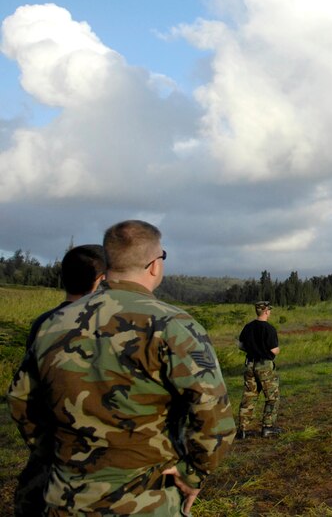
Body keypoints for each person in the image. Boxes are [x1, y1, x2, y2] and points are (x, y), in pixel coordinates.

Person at [7, 220, 235, 515]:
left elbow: (21, 399)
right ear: (155, 265)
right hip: (145, 500)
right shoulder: (171, 325)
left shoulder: (54, 323)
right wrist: (193, 474)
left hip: (65, 498)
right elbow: (212, 411)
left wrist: (56, 456)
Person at [14, 244, 107, 517]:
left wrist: (44, 446)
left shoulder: (44, 323)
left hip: (52, 452)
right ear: (101, 280)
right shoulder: (106, 325)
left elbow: (23, 395)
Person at [236, 301, 282, 438]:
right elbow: (274, 350)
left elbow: (240, 345)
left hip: (250, 364)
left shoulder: (248, 327)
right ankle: (267, 427)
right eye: (269, 310)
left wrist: (252, 349)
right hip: (265, 366)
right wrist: (277, 350)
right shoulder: (269, 329)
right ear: (266, 311)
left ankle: (242, 430)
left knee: (249, 396)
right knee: (272, 397)